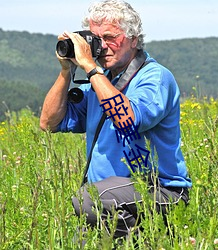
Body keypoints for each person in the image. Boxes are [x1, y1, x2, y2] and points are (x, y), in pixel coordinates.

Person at [40, 0, 192, 244]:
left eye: (110, 37)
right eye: (96, 39)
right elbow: (49, 123)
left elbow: (127, 120)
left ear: (133, 39)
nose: (102, 47)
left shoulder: (154, 77)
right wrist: (66, 70)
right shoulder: (99, 83)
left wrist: (90, 67)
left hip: (160, 192)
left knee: (88, 199)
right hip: (110, 199)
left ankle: (146, 241)